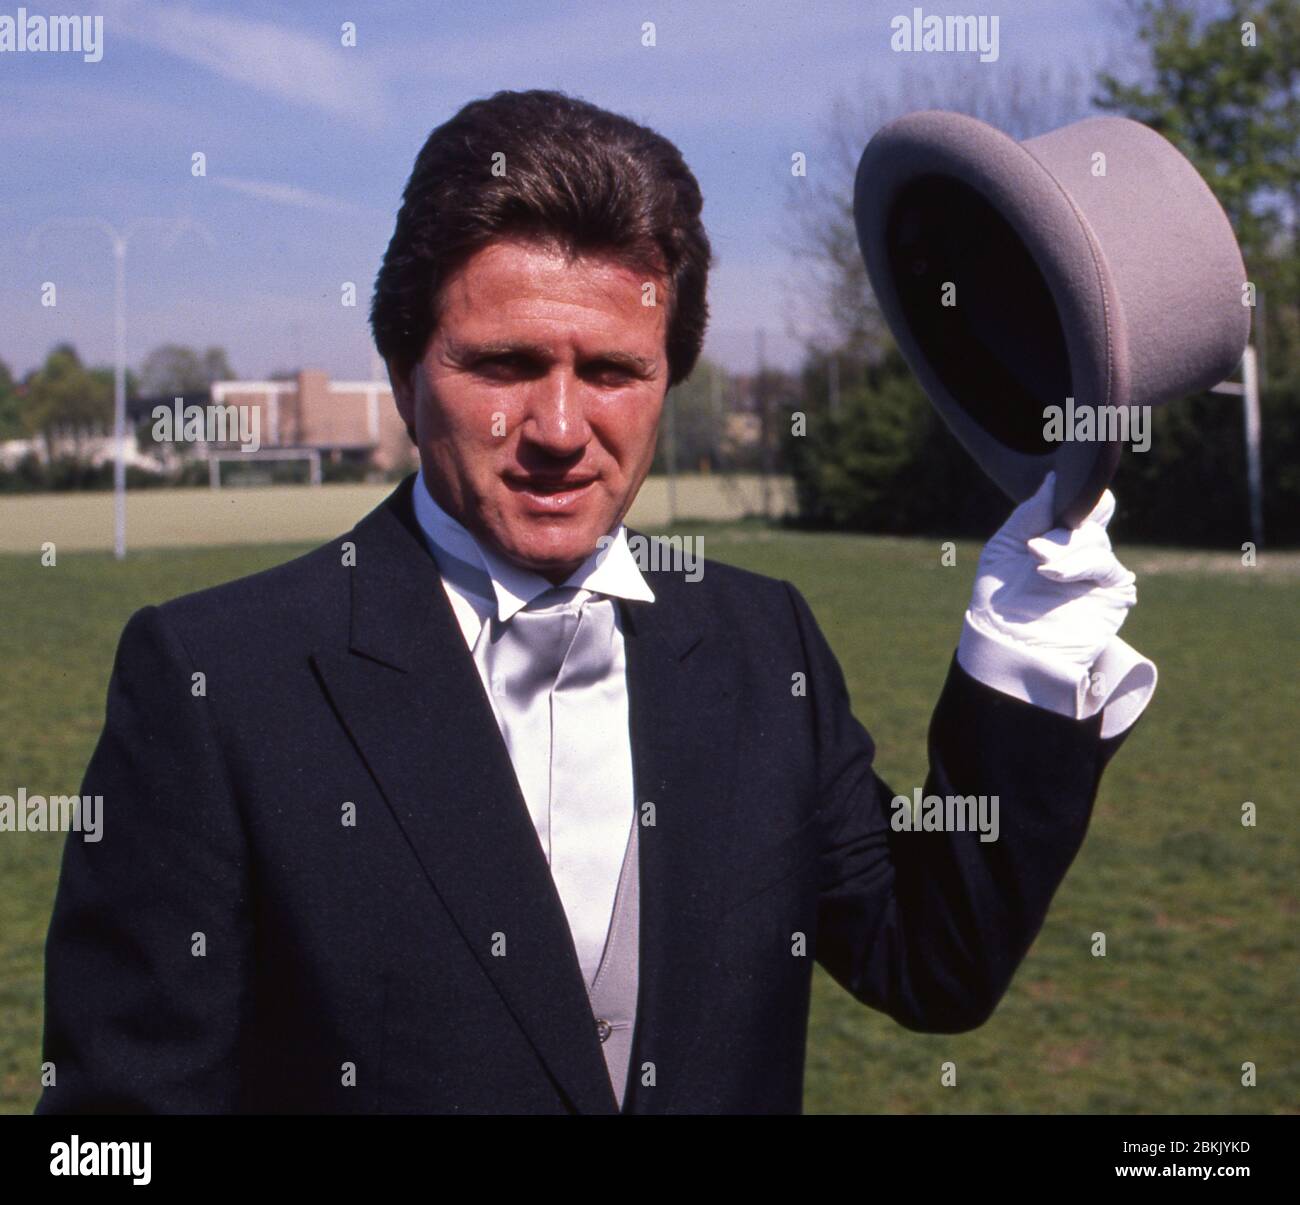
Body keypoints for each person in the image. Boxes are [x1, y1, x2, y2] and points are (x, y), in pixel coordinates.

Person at [36, 89, 1155, 1115]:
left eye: (614, 371)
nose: (562, 429)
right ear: (402, 370)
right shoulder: (214, 681)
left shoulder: (765, 642)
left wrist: (1027, 642)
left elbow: (932, 958)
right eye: (505, 363)